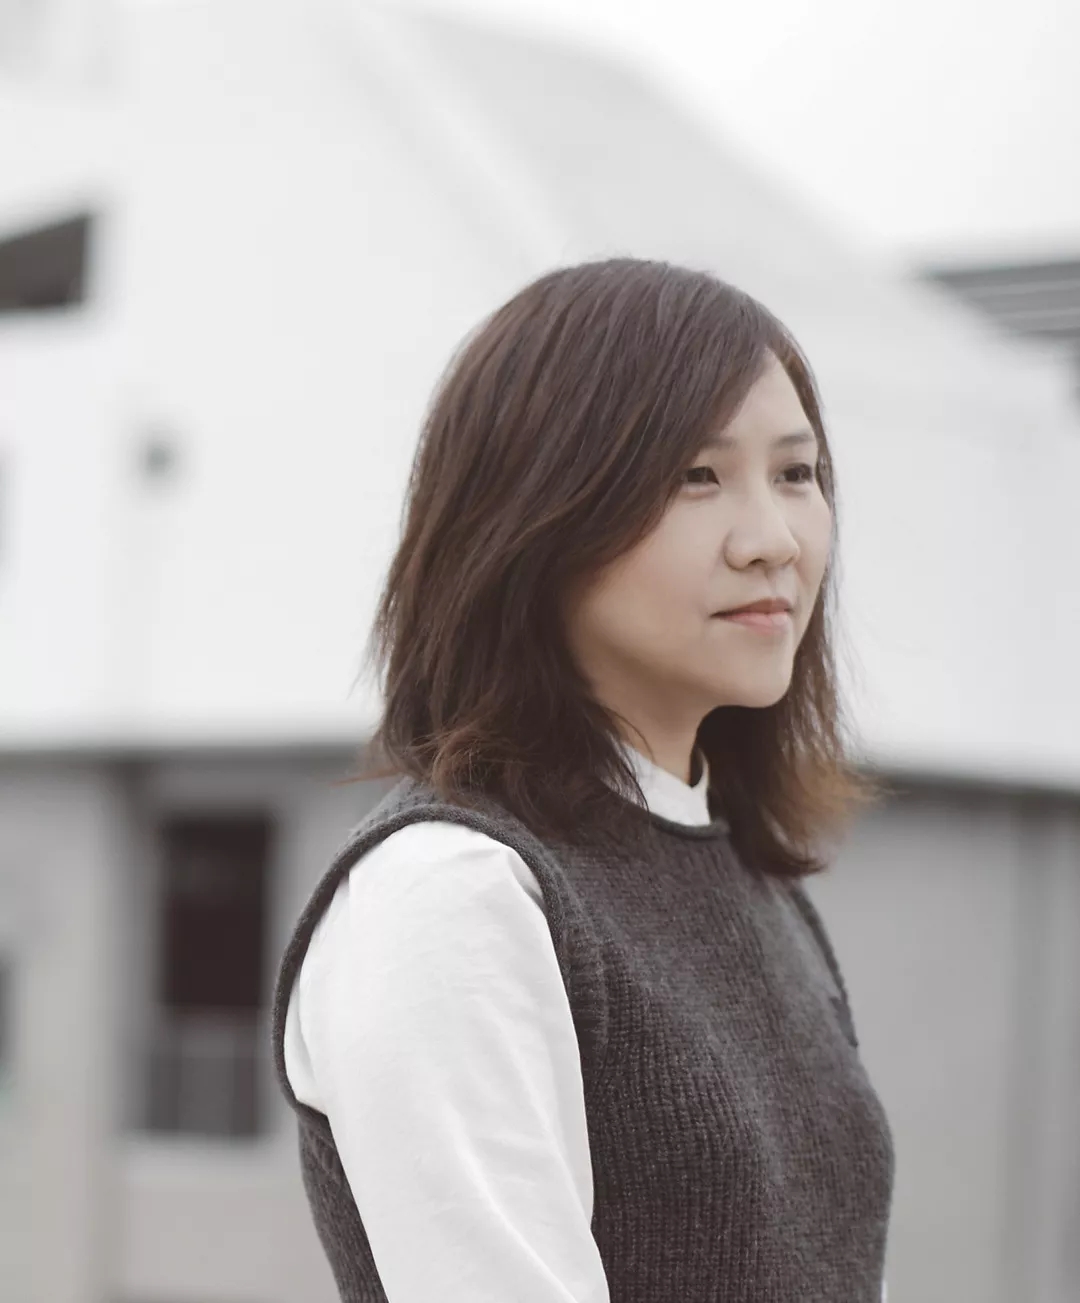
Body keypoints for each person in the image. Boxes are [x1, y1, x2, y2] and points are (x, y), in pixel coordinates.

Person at [269, 257, 895, 1302]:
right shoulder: (453, 895)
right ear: (537, 515)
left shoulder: (753, 880)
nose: (774, 541)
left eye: (797, 473)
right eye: (697, 476)